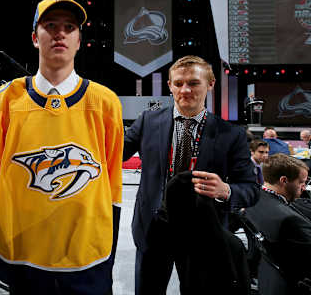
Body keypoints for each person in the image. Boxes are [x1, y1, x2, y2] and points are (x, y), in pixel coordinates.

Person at [0, 0, 123, 295]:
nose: (60, 33)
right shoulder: (0, 102)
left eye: (69, 27)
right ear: (34, 37)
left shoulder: (106, 103)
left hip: (88, 262)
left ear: (79, 40)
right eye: (50, 25)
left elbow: (112, 186)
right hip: (16, 262)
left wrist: (108, 253)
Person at [123, 55, 259, 294]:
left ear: (210, 84)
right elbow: (111, 153)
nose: (185, 90)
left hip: (204, 233)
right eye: (178, 83)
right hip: (154, 228)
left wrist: (225, 190)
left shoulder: (231, 134)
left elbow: (250, 189)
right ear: (170, 86)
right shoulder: (148, 121)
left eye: (194, 83)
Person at [245, 153, 311, 295]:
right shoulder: (290, 221)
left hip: (267, 277)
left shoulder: (253, 199)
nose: (304, 187)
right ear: (284, 180)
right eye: (301, 182)